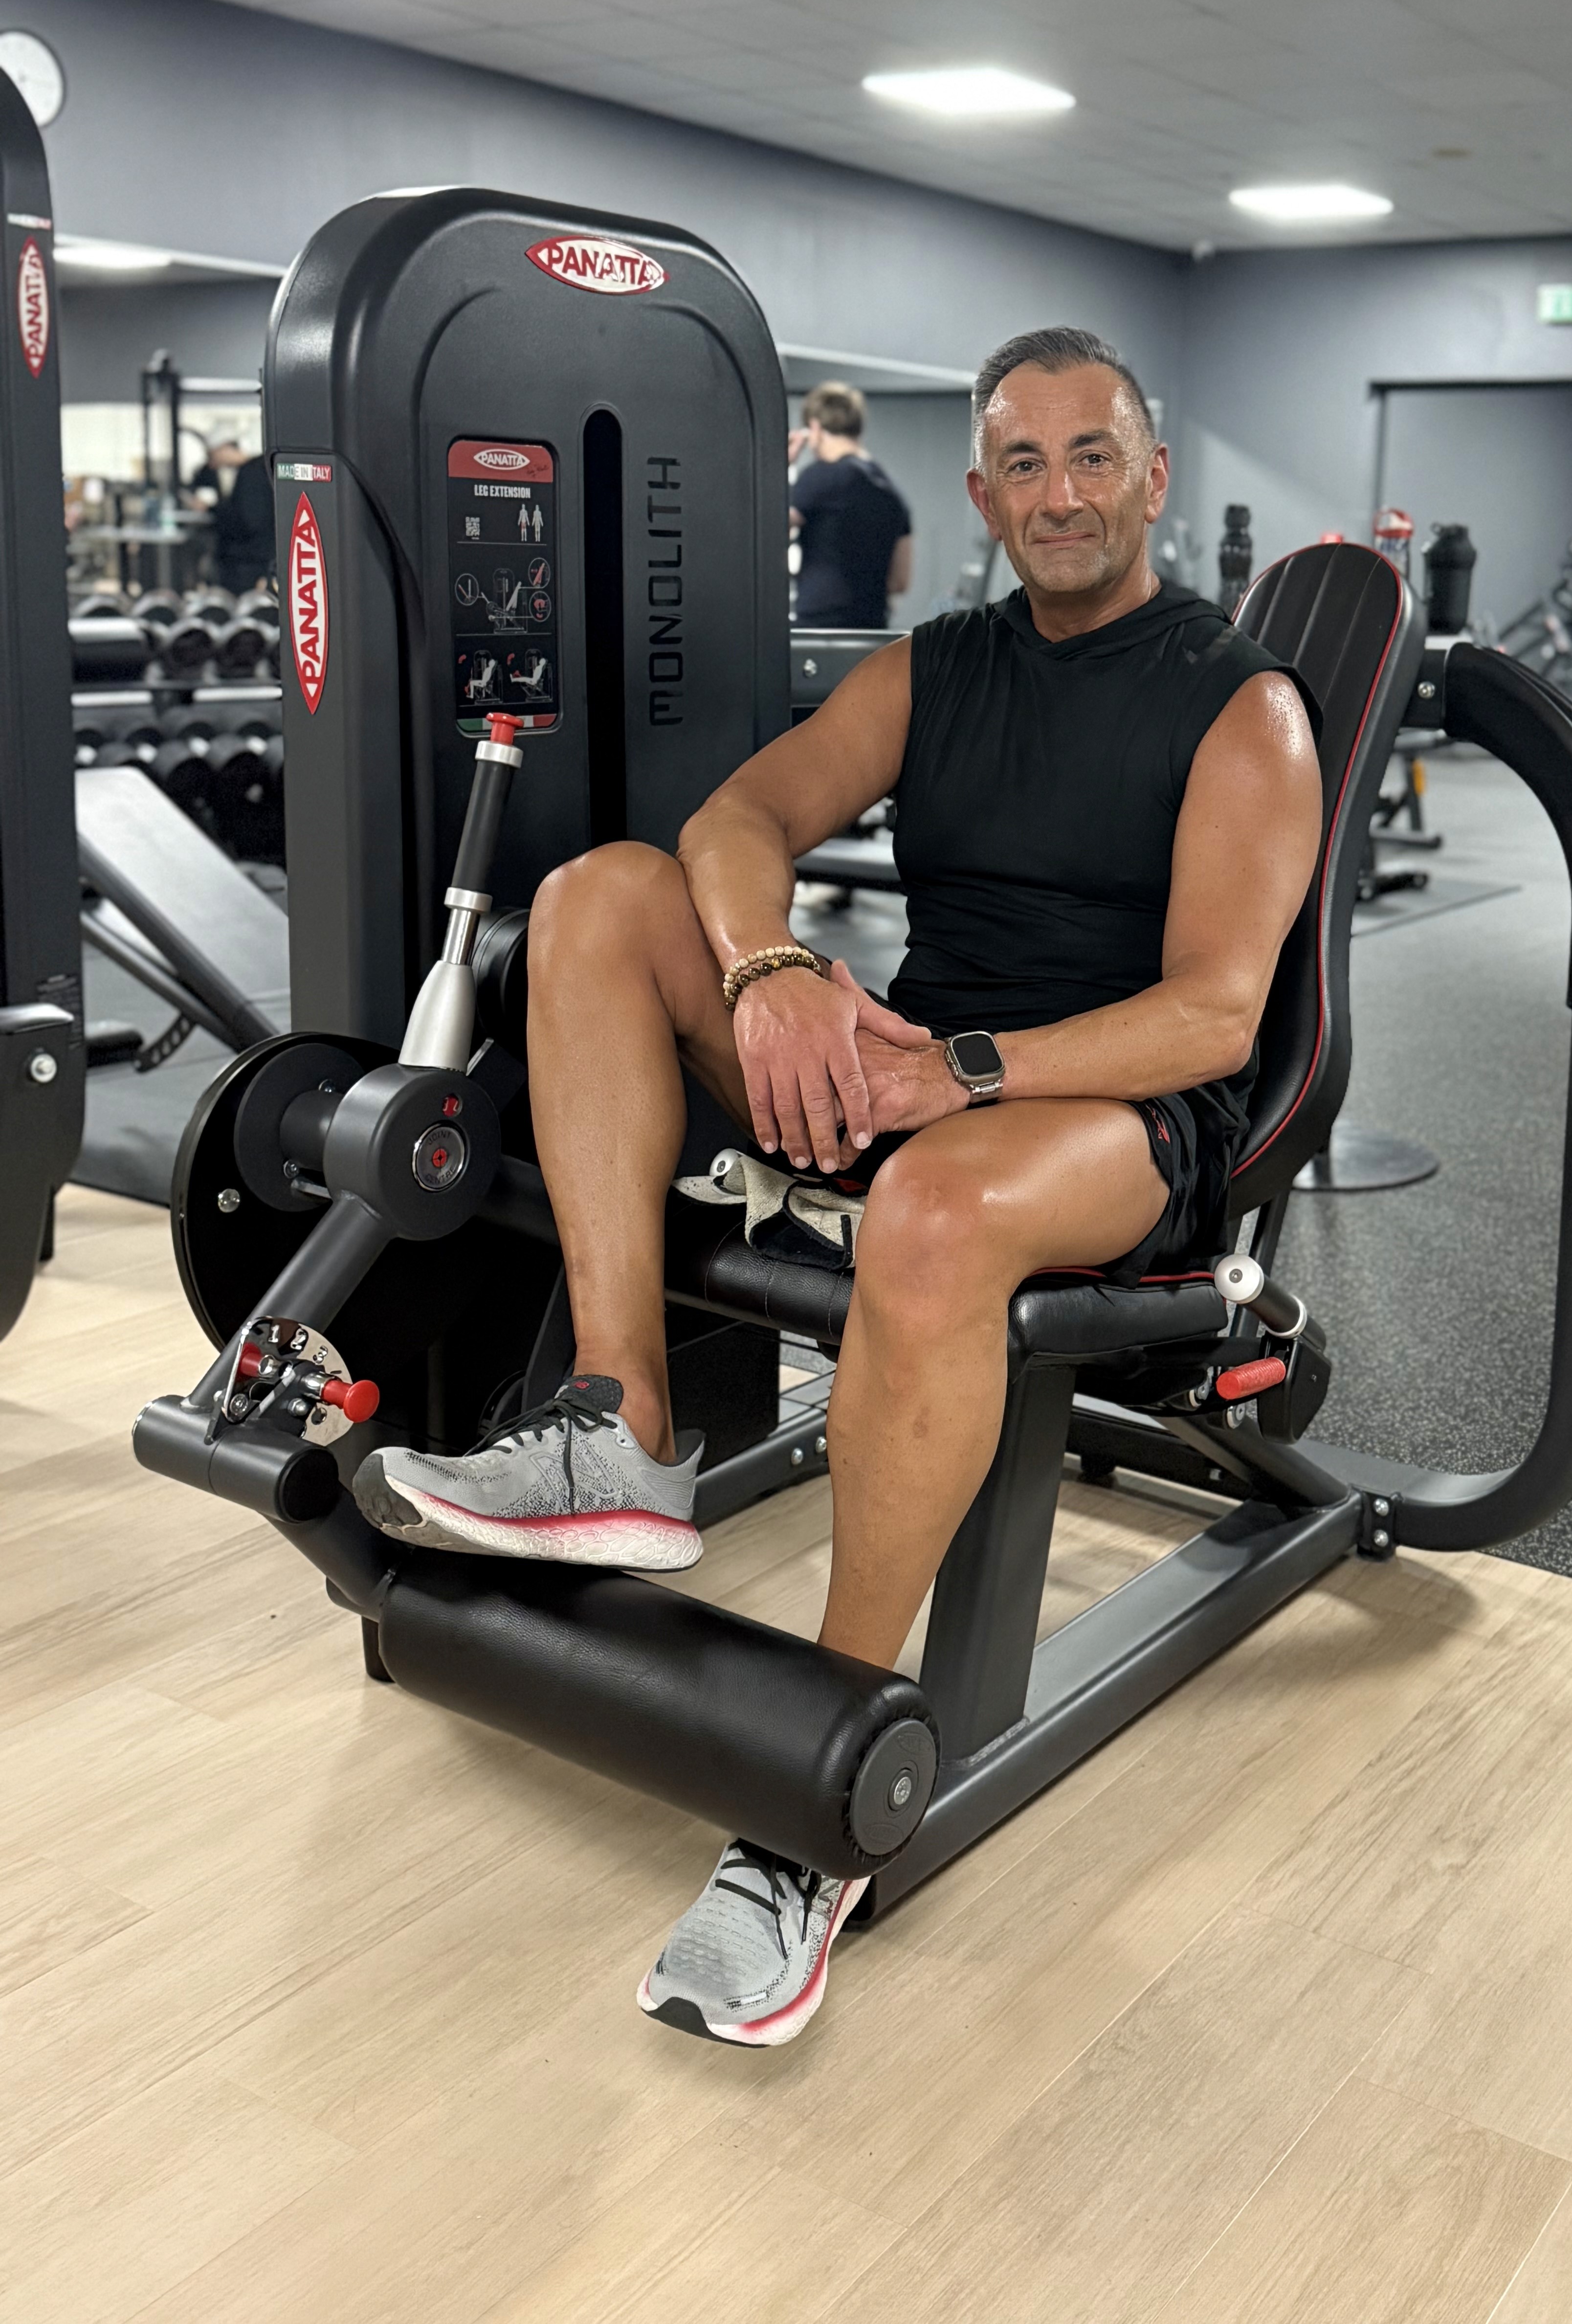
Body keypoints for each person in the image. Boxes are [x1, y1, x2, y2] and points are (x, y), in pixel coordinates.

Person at [352, 327, 1322, 2048]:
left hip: (1118, 1116)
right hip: (914, 1072)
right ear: (981, 496)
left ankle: (819, 1770)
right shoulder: (933, 668)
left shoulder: (1242, 707)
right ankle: (621, 1422)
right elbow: (738, 819)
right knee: (595, 900)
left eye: (1092, 455)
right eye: (1022, 463)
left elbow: (1217, 1013)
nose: (1060, 494)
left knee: (935, 1208)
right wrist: (771, 964)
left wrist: (958, 1072)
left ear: (1153, 478)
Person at [789, 380, 912, 626]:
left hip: (819, 628)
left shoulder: (820, 476)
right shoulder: (891, 492)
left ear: (815, 428)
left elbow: (766, 536)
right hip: (872, 630)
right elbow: (900, 582)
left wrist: (781, 463)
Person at [189, 438, 273, 593]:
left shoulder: (251, 473)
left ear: (226, 448)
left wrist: (212, 510)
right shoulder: (258, 469)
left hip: (248, 560)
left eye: (214, 455)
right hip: (255, 557)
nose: (213, 463)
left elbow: (248, 519)